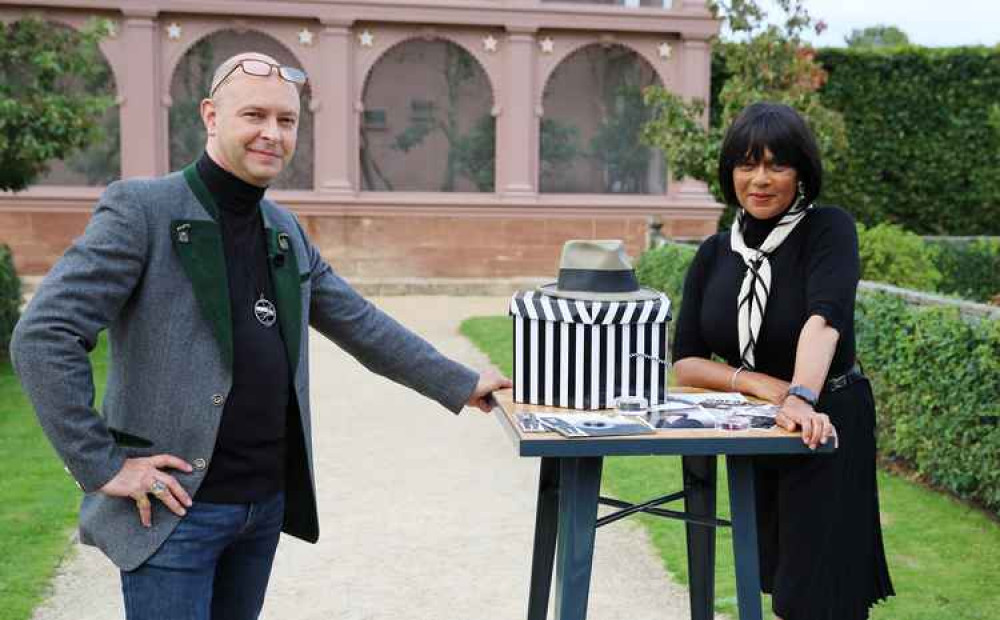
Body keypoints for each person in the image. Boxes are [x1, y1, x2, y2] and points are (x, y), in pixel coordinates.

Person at [10, 51, 510, 620]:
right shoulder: (141, 211)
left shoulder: (284, 229)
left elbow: (361, 323)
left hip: (263, 508)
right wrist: (102, 465)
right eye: (254, 115)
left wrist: (461, 380)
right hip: (175, 515)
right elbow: (44, 333)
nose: (272, 133)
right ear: (211, 116)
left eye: (286, 120)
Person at [672, 102, 894, 620]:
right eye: (747, 164)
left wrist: (799, 395)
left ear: (802, 172)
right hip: (756, 429)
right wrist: (758, 384)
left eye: (778, 165)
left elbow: (824, 320)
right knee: (770, 576)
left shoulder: (829, 230)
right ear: (730, 172)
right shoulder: (713, 252)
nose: (760, 179)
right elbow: (685, 361)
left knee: (817, 594)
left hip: (825, 423)